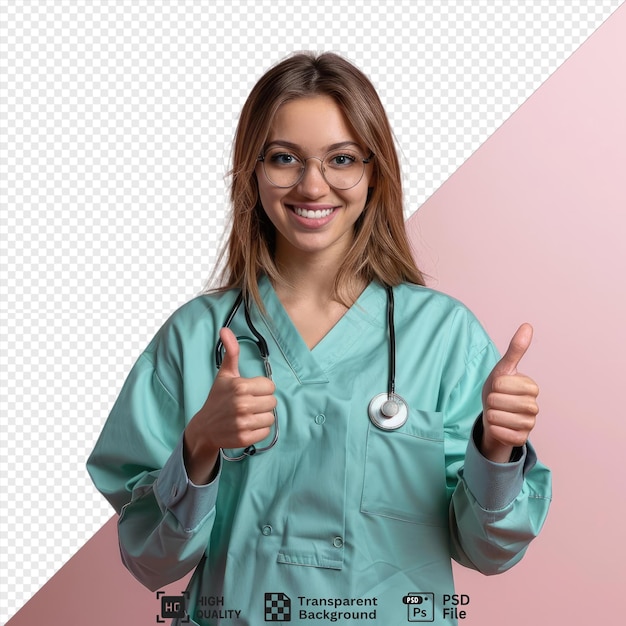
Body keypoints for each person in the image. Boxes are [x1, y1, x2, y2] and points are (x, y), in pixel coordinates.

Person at [87, 52, 551, 625]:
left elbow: (488, 550)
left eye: (342, 159)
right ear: (252, 170)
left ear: (374, 172)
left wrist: (497, 450)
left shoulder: (444, 337)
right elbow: (149, 560)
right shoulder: (195, 338)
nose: (313, 185)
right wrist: (200, 445)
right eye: (285, 158)